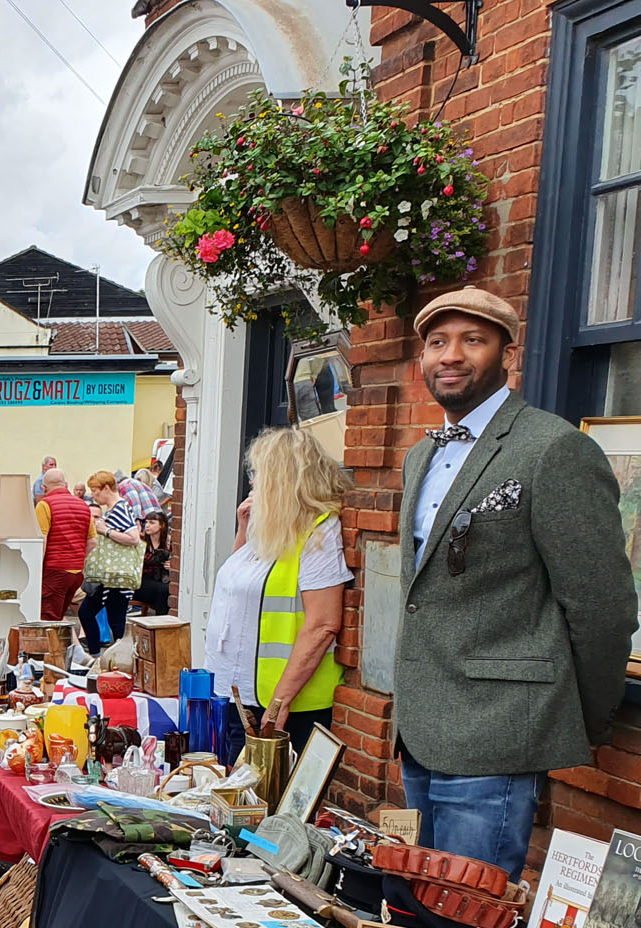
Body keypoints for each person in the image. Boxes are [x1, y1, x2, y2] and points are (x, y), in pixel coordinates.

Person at [396, 289, 637, 879]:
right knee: (421, 915)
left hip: (499, 731)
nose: (451, 356)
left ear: (507, 353)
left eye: (472, 340)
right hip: (421, 730)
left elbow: (602, 606)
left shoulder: (552, 449)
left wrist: (579, 714)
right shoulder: (419, 457)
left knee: (472, 920)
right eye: (437, 342)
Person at [205, 429, 351, 760]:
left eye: (257, 473)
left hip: (283, 707)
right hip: (239, 697)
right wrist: (243, 529)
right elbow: (237, 585)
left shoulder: (319, 532)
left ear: (281, 477)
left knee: (264, 804)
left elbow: (324, 624)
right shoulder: (269, 524)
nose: (252, 481)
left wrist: (279, 703)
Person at [78, 470, 142, 656]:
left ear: (106, 488)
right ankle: (99, 656)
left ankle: (120, 661)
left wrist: (106, 531)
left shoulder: (120, 508)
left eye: (95, 490)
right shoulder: (114, 509)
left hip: (117, 578)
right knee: (88, 612)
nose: (93, 495)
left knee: (116, 622)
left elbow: (133, 538)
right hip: (109, 577)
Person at [35, 467, 91, 621]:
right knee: (58, 618)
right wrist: (78, 557)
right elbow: (92, 541)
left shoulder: (45, 505)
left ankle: (50, 646)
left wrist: (36, 570)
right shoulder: (84, 506)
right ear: (66, 485)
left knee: (48, 619)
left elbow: (42, 540)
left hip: (54, 570)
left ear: (44, 488)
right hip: (76, 573)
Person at [135, 510, 172, 616]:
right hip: (142, 581)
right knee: (163, 591)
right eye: (146, 522)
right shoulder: (141, 543)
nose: (147, 526)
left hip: (162, 580)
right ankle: (161, 621)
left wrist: (173, 565)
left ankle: (161, 621)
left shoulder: (169, 544)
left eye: (152, 522)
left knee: (165, 590)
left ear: (162, 525)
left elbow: (177, 563)